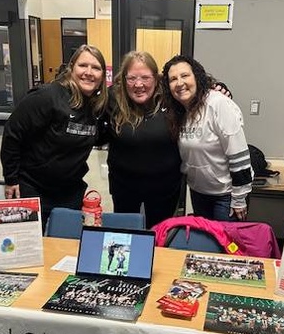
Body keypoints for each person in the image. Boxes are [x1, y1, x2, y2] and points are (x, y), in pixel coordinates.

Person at [0, 45, 109, 226]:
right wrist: (10, 179)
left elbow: (96, 136)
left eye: (96, 68)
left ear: (102, 75)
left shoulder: (96, 106)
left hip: (69, 191)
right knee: (28, 248)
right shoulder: (48, 96)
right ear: (71, 68)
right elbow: (13, 133)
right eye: (83, 65)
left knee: (65, 246)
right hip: (32, 188)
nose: (89, 72)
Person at [161, 55, 253, 221]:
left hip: (226, 196)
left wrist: (239, 199)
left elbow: (239, 154)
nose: (179, 83)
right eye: (173, 79)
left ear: (197, 76)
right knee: (204, 245)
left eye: (185, 75)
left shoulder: (218, 104)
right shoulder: (180, 111)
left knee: (225, 246)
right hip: (199, 193)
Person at [104, 51, 182, 228]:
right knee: (125, 236)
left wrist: (218, 87)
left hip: (165, 189)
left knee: (160, 237)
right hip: (124, 188)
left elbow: (194, 88)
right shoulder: (113, 98)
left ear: (156, 78)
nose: (138, 84)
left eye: (145, 77)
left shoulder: (170, 99)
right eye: (132, 78)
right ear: (123, 79)